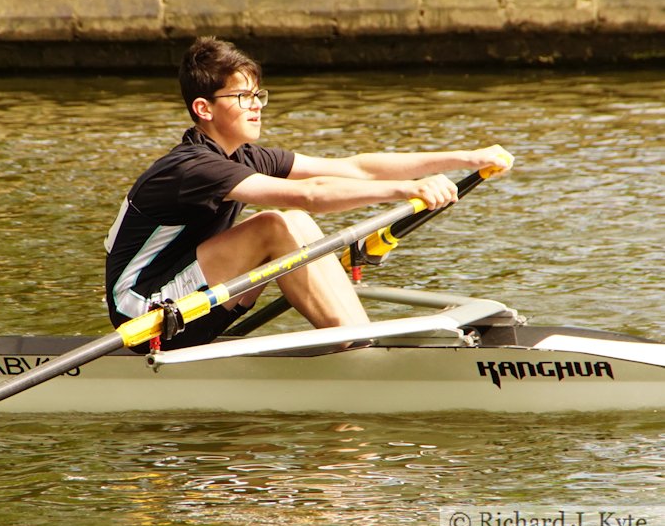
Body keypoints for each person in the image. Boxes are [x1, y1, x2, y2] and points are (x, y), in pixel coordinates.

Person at [104, 36, 513, 352]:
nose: (256, 106)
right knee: (276, 224)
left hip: (188, 298)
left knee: (292, 223)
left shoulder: (244, 156)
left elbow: (357, 167)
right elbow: (310, 195)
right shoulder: (191, 168)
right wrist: (407, 190)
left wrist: (466, 157)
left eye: (258, 94)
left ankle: (359, 340)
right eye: (241, 96)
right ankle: (358, 350)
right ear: (204, 109)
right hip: (145, 313)